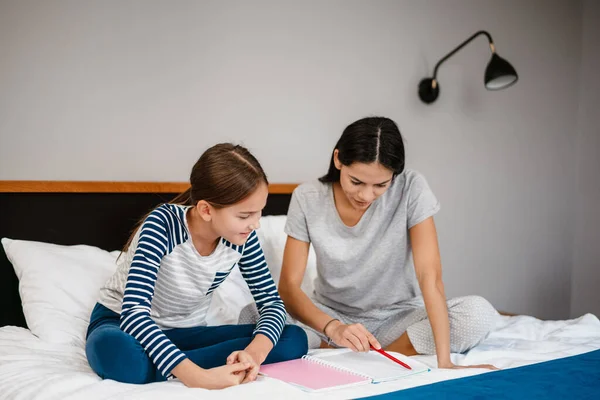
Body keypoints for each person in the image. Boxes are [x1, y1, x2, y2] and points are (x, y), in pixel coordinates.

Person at [277, 116, 497, 370]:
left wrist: (444, 361)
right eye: (356, 182)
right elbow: (289, 287)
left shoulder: (411, 188)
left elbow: (430, 276)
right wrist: (332, 327)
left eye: (381, 184)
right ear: (338, 159)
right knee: (258, 313)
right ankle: (347, 346)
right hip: (331, 316)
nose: (366, 195)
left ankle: (363, 355)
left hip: (398, 317)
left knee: (479, 313)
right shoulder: (307, 197)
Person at [85, 143, 308, 389]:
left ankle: (169, 365)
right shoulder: (162, 225)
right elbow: (134, 316)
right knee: (118, 354)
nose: (255, 224)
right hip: (123, 324)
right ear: (206, 210)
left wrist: (253, 354)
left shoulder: (244, 237)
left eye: (259, 213)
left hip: (185, 334)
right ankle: (188, 367)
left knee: (294, 338)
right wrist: (200, 378)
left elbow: (271, 303)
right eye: (245, 216)